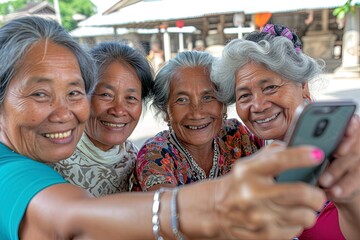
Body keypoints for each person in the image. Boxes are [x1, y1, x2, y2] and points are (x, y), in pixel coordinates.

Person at [0, 16, 328, 240]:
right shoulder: (10, 171)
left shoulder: (236, 136)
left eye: (73, 92)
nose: (64, 112)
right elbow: (73, 218)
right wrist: (218, 203)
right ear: (166, 111)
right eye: (40, 93)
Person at [211, 23, 360, 240]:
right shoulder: (245, 148)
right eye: (244, 95)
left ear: (303, 86)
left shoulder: (348, 141)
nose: (259, 105)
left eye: (270, 87)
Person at [134, 51, 263, 191]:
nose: (197, 113)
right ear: (166, 112)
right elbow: (168, 207)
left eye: (208, 97)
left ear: (223, 105)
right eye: (182, 100)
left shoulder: (236, 135)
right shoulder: (156, 153)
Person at [51, 41, 154, 196]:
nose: (118, 110)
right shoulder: (54, 157)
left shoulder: (136, 161)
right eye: (106, 95)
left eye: (131, 98)